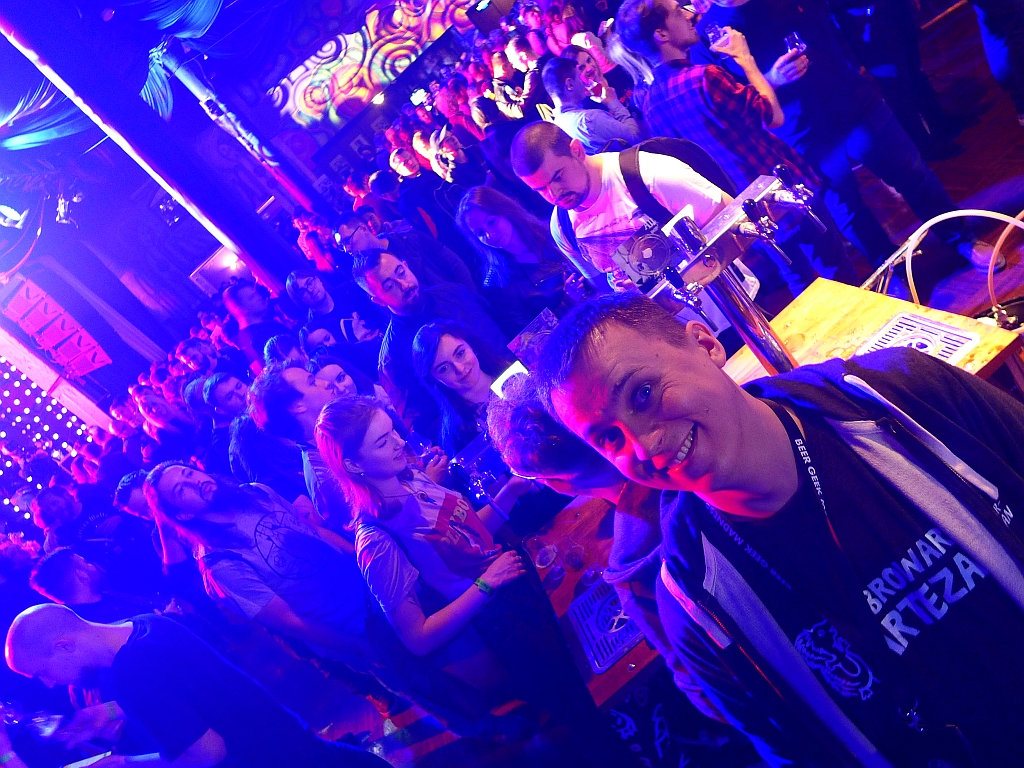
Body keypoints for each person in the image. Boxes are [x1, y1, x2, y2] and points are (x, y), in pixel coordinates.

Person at [537, 292, 1024, 766]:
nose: (642, 446)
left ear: (706, 344)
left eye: (642, 394)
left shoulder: (897, 393)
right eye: (609, 438)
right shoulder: (692, 606)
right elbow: (792, 751)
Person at [315, 397, 633, 768]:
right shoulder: (375, 541)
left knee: (579, 688)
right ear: (354, 465)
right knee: (576, 717)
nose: (400, 443)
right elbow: (417, 637)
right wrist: (486, 584)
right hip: (500, 625)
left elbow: (469, 536)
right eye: (383, 442)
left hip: (515, 586)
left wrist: (509, 494)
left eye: (392, 431)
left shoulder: (410, 476)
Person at [688, 0, 998, 271]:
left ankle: (963, 241)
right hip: (802, 133)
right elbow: (731, 100)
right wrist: (772, 79)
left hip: (856, 104)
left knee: (914, 175)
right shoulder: (707, 35)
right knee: (848, 210)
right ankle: (891, 272)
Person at [615, 0, 856, 291]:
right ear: (661, 34)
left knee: (801, 283)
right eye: (678, 12)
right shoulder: (704, 77)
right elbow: (774, 116)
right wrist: (745, 58)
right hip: (777, 190)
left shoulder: (651, 106)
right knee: (838, 271)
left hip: (741, 212)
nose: (690, 15)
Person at [5, 604, 388, 766]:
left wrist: (125, 764)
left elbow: (207, 754)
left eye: (41, 672)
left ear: (64, 645)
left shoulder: (131, 672)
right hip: (295, 742)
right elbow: (187, 686)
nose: (49, 684)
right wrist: (107, 711)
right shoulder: (145, 625)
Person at [352, 249, 508, 430]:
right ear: (379, 301)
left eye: (401, 272)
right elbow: (423, 423)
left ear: (406, 265)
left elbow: (502, 334)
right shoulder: (392, 358)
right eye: (389, 286)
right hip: (480, 427)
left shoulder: (454, 293)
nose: (404, 284)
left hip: (515, 380)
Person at [456, 185, 585, 334]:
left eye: (491, 222)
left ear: (506, 211)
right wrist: (568, 302)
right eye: (480, 233)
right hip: (576, 337)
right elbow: (529, 340)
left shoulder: (552, 232)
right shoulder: (497, 284)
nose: (490, 235)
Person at [411, 321, 514, 455]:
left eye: (460, 353)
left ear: (470, 345)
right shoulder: (458, 436)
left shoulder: (515, 370)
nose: (459, 369)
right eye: (444, 368)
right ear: (435, 380)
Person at [336, 211, 478, 294]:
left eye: (347, 240)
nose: (347, 249)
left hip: (459, 301)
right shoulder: (367, 276)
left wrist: (473, 298)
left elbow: (454, 264)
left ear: (363, 229)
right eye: (342, 246)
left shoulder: (411, 239)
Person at [544, 56, 645, 154]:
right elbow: (636, 138)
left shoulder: (558, 125)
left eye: (589, 60)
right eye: (579, 77)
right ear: (569, 84)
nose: (583, 83)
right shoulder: (590, 119)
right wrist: (613, 102)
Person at [221, 282, 291, 368]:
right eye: (251, 297)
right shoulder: (257, 336)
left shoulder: (261, 325)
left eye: (256, 294)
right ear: (241, 308)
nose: (259, 297)